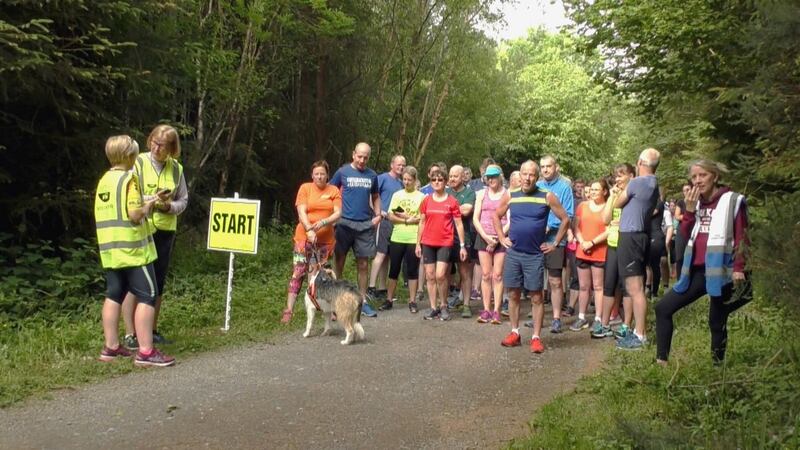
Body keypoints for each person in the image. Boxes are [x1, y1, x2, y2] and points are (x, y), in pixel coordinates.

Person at [655, 160, 750, 365]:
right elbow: (684, 234)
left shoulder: (731, 201)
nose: (697, 180)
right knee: (663, 308)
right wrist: (689, 212)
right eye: (694, 176)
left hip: (723, 270)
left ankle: (717, 368)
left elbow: (742, 237)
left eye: (703, 175)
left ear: (715, 176)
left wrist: (739, 268)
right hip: (696, 271)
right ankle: (661, 363)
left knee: (716, 321)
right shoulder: (694, 203)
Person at [95, 135, 174, 367]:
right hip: (133, 250)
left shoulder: (105, 180)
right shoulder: (130, 179)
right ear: (129, 156)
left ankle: (110, 347)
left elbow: (122, 204)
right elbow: (134, 214)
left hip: (111, 249)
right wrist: (149, 205)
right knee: (148, 295)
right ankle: (146, 351)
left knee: (114, 294)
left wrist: (151, 198)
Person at [122, 124, 187, 349]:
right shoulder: (137, 162)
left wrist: (169, 207)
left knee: (158, 282)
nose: (156, 148)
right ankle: (130, 334)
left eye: (162, 145)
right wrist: (154, 199)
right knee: (135, 281)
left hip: (165, 231)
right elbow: (130, 196)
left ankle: (151, 330)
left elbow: (183, 201)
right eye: (154, 142)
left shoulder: (177, 169)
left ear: (172, 149)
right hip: (141, 228)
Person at [496, 160, 569, 354]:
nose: (527, 178)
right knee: (513, 294)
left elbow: (565, 219)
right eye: (524, 174)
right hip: (514, 254)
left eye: (531, 175)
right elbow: (496, 215)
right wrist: (501, 237)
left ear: (537, 177)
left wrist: (555, 243)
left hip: (535, 255)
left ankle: (536, 337)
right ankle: (514, 332)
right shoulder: (511, 195)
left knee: (536, 297)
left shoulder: (547, 195)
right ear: (520, 175)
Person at [611, 148, 661, 350]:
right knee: (637, 286)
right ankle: (639, 332)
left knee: (634, 288)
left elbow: (617, 203)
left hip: (631, 237)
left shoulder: (637, 183)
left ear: (640, 162)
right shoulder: (654, 183)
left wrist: (617, 193)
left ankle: (640, 335)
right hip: (640, 236)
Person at [281, 160, 342, 323]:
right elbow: (301, 211)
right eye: (316, 174)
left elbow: (338, 213)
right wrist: (309, 229)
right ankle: (289, 310)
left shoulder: (334, 190)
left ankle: (325, 308)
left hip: (325, 241)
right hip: (303, 238)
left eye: (322, 174)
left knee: (320, 275)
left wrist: (323, 222)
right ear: (312, 175)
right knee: (298, 271)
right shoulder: (305, 188)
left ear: (327, 175)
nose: (319, 177)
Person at [330, 143, 382, 317]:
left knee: (363, 264)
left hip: (364, 225)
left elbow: (376, 196)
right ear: (353, 154)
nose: (362, 160)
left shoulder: (372, 175)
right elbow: (331, 192)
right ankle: (336, 302)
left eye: (365, 157)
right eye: (359, 156)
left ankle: (362, 301)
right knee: (339, 261)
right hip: (344, 224)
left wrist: (377, 215)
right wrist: (332, 216)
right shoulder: (342, 172)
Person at [415, 168, 467, 321]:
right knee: (430, 276)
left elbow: (459, 224)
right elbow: (422, 222)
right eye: (434, 180)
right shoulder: (426, 201)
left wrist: (462, 245)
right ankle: (433, 307)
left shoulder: (452, 201)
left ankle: (443, 305)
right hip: (428, 242)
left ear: (445, 182)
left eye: (440, 180)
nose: (436, 182)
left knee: (440, 275)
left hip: (445, 242)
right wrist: (418, 244)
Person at [593, 164, 634, 339]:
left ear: (631, 176)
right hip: (613, 244)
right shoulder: (615, 194)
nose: (618, 179)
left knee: (627, 287)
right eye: (616, 176)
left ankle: (626, 326)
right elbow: (606, 219)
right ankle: (604, 325)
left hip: (628, 244)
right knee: (609, 285)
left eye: (621, 175)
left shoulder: (634, 194)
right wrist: (611, 196)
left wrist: (619, 221)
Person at [534, 155, 574, 333]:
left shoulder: (564, 188)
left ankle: (556, 318)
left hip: (555, 239)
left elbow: (568, 215)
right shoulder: (537, 186)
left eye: (548, 166)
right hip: (536, 239)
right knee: (536, 279)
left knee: (555, 280)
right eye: (542, 166)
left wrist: (550, 227)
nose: (545, 169)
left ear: (556, 167)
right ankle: (538, 316)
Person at [383, 166, 424, 312]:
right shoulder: (397, 195)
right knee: (394, 269)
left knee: (412, 270)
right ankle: (389, 299)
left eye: (409, 180)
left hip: (413, 238)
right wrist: (407, 220)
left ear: (415, 180)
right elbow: (391, 215)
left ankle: (412, 301)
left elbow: (422, 218)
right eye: (404, 179)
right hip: (397, 236)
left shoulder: (421, 197)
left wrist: (411, 217)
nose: (406, 182)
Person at [472, 164, 510, 324]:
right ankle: (486, 309)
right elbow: (476, 218)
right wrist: (486, 237)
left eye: (494, 176)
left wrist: (498, 237)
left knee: (498, 275)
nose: (491, 180)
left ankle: (497, 311)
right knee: (486, 275)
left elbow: (510, 219)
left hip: (501, 238)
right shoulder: (481, 194)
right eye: (489, 177)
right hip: (483, 237)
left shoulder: (507, 194)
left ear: (500, 177)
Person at [571, 179, 609, 332]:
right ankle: (581, 317)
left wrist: (592, 243)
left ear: (604, 192)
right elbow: (576, 226)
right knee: (583, 286)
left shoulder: (608, 207)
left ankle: (598, 318)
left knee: (598, 286)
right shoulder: (582, 206)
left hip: (600, 252)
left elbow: (609, 230)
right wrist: (582, 242)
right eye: (592, 189)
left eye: (596, 190)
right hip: (582, 251)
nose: (593, 192)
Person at [369, 155, 406, 302]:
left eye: (403, 165)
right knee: (380, 253)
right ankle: (371, 287)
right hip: (383, 221)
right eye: (398, 164)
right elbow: (371, 196)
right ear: (392, 165)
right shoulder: (382, 178)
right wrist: (378, 212)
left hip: (395, 222)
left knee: (388, 256)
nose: (401, 167)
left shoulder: (402, 183)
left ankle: (382, 288)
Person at [445, 165, 476, 318]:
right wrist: (457, 208)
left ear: (463, 177)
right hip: (444, 237)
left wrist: (448, 208)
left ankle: (466, 305)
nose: (452, 179)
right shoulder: (445, 191)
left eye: (455, 176)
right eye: (450, 176)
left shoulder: (469, 193)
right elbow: (459, 210)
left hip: (463, 238)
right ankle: (443, 304)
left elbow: (466, 211)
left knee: (464, 272)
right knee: (444, 272)